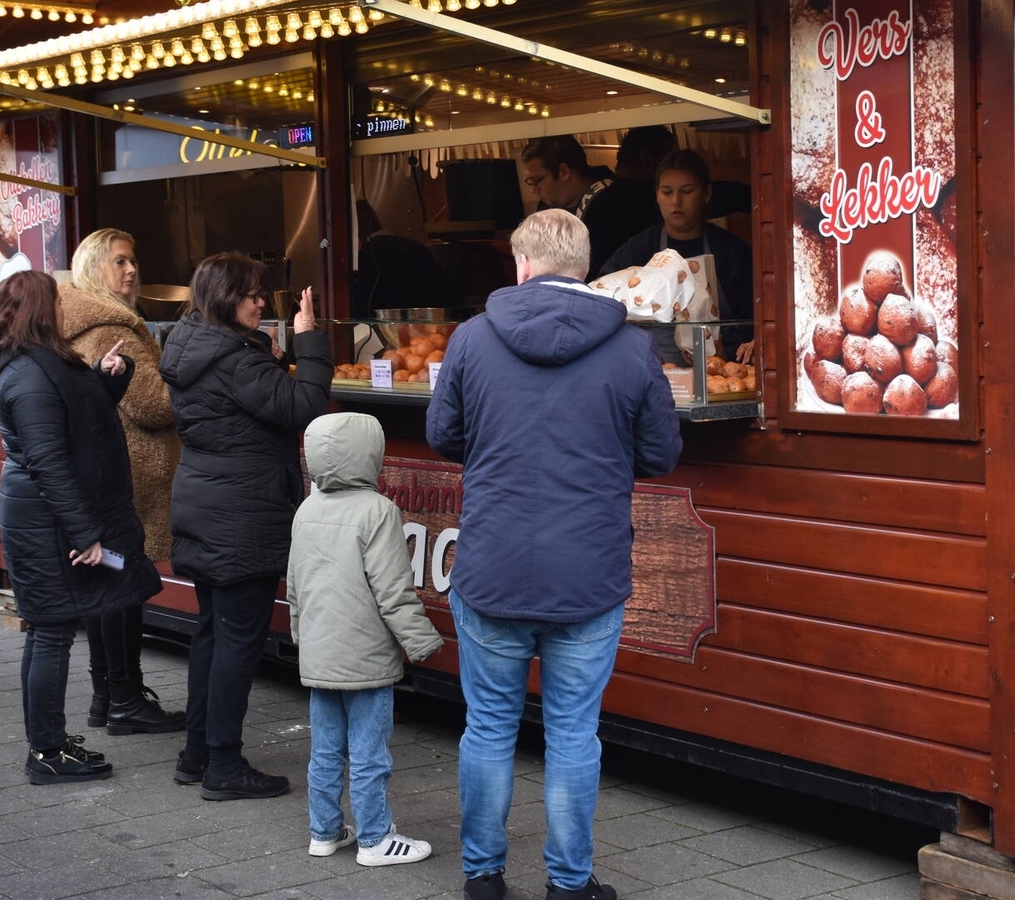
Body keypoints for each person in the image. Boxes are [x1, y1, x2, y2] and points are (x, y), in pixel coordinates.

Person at [425, 210, 683, 900]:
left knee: (487, 728)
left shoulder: (472, 339)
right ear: (584, 266)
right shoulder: (632, 348)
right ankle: (569, 884)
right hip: (588, 573)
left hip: (491, 565)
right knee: (574, 733)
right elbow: (661, 452)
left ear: (522, 265)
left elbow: (442, 433)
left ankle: (483, 876)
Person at [0, 270, 162, 784]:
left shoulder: (41, 363)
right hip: (45, 520)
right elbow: (49, 460)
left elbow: (77, 418)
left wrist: (108, 377)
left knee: (50, 629)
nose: (64, 309)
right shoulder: (29, 376)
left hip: (47, 514)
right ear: (41, 310)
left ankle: (50, 743)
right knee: (51, 631)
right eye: (57, 302)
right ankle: (47, 752)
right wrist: (85, 534)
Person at [160, 254, 334, 800]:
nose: (262, 302)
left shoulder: (197, 345)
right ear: (224, 299)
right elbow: (304, 405)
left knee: (213, 634)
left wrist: (267, 351)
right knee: (237, 642)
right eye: (252, 294)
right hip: (242, 514)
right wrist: (308, 341)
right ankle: (225, 767)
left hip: (208, 504)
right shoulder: (235, 360)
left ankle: (197, 753)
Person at [287, 412, 444, 867]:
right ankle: (375, 838)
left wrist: (301, 635)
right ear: (370, 456)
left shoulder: (306, 507)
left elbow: (295, 582)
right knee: (370, 754)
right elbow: (392, 588)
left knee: (325, 750)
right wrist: (422, 641)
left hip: (320, 651)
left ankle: (325, 831)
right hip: (366, 657)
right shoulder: (378, 511)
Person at [60, 229, 185, 735]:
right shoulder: (113, 330)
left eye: (134, 260)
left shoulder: (79, 324)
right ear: (94, 269)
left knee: (110, 586)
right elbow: (152, 405)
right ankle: (126, 699)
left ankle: (105, 696)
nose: (132, 271)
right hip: (130, 478)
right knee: (123, 589)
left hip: (107, 475)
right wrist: (191, 377)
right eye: (120, 262)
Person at [599, 148, 756, 364]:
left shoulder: (731, 252)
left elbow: (753, 317)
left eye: (687, 190)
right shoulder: (639, 249)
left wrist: (726, 350)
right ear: (656, 196)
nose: (676, 201)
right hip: (653, 370)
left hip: (718, 374)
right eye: (666, 192)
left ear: (706, 194)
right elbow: (604, 301)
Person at [521, 134, 645, 279]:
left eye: (536, 180)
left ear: (563, 172)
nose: (533, 189)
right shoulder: (546, 207)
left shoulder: (614, 205)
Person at [582, 125, 677, 279]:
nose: (676, 200)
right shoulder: (647, 203)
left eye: (686, 190)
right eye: (669, 160)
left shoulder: (597, 201)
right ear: (647, 158)